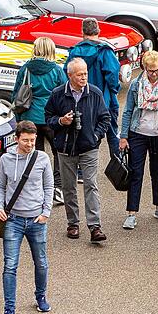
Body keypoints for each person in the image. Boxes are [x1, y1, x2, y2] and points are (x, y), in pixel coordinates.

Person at [0, 120, 54, 314]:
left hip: (37, 219)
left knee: (41, 263)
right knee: (10, 265)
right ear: (16, 139)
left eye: (33, 140)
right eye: (26, 140)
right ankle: (9, 309)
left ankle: (41, 297)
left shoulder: (43, 158)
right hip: (13, 220)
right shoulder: (6, 160)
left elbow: (49, 186)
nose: (30, 144)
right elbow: (0, 185)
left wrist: (46, 212)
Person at [44, 58, 111, 244]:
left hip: (89, 148)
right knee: (68, 188)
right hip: (65, 149)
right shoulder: (58, 94)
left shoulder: (95, 93)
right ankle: (73, 223)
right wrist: (61, 121)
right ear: (70, 75)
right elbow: (48, 117)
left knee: (91, 185)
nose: (84, 77)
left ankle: (95, 226)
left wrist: (96, 136)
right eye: (80, 74)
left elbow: (105, 119)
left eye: (86, 73)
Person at [119, 50, 158, 231]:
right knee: (135, 173)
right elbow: (128, 110)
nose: (153, 74)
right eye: (150, 70)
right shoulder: (136, 85)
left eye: (157, 70)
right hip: (138, 134)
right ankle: (131, 213)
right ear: (144, 68)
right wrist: (123, 136)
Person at [14, 38, 68, 205]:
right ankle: (57, 188)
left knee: (34, 154)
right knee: (58, 152)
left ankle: (36, 188)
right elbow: (65, 94)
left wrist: (18, 119)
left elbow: (16, 94)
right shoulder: (56, 70)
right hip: (51, 117)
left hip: (29, 118)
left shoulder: (25, 69)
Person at [65, 18, 120, 159]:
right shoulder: (105, 51)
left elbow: (67, 73)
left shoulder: (74, 52)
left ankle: (81, 172)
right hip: (105, 100)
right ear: (98, 31)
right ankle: (118, 167)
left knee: (82, 134)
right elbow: (113, 75)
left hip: (81, 100)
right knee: (112, 134)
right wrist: (113, 91)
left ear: (82, 31)